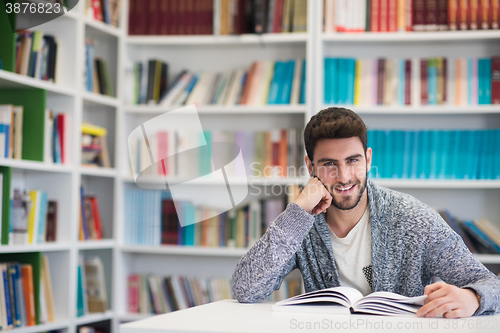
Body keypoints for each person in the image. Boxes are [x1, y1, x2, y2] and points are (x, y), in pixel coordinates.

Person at [231, 107, 500, 318]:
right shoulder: (301, 222)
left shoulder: (414, 219)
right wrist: (298, 211)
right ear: (310, 166)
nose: (344, 176)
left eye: (353, 160)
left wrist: (473, 297)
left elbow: (489, 283)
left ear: (368, 158)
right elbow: (246, 289)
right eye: (328, 164)